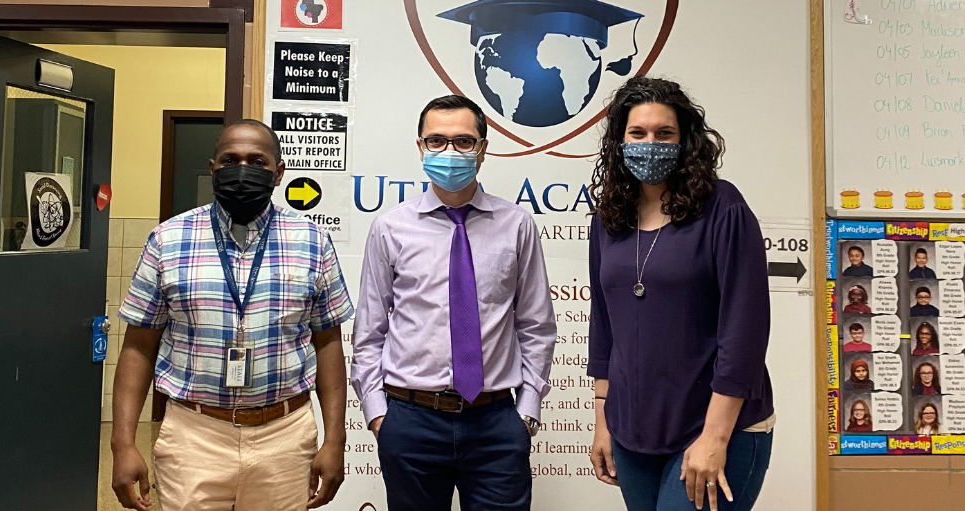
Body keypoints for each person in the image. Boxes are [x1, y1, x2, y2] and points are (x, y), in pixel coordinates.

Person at [111, 120, 353, 511]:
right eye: (231, 160)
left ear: (278, 173)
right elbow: (138, 346)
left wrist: (335, 440)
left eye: (257, 162)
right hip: (194, 436)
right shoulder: (167, 240)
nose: (243, 169)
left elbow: (328, 343)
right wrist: (122, 444)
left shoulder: (312, 242)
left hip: (285, 436)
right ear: (213, 168)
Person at [350, 95, 556, 511]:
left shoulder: (516, 225)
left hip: (496, 420)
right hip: (411, 419)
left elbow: (536, 324)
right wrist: (378, 415)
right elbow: (369, 331)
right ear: (420, 147)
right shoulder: (390, 228)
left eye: (463, 141)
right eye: (437, 141)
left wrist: (527, 410)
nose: (450, 152)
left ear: (483, 149)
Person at [586, 77, 773, 511]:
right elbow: (604, 327)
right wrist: (603, 420)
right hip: (632, 430)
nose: (650, 143)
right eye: (638, 133)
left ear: (684, 140)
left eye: (664, 133)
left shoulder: (723, 209)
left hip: (715, 427)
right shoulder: (609, 217)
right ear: (619, 139)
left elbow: (744, 333)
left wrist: (714, 437)